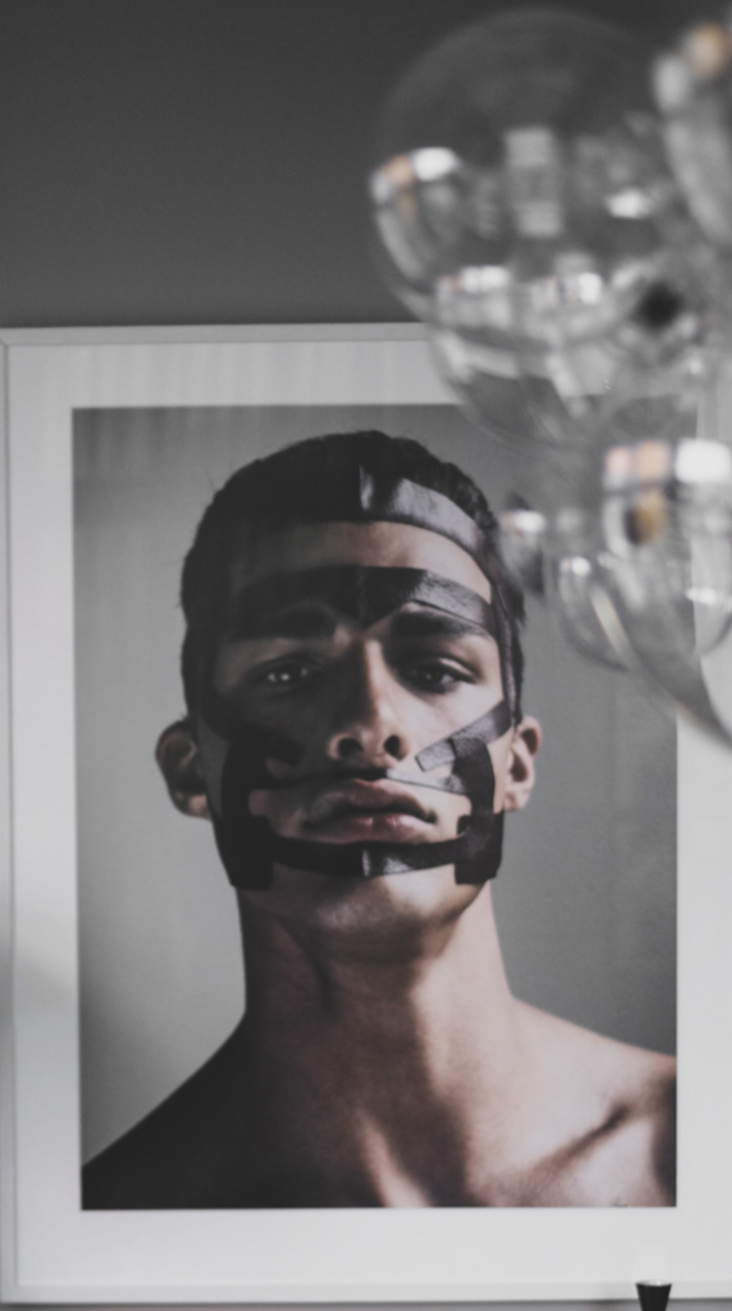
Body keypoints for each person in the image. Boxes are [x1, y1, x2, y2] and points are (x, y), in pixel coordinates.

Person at [81, 430, 675, 1210]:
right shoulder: (127, 1215)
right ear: (194, 770)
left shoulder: (693, 1155)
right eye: (288, 671)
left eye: (434, 668)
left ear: (517, 764)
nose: (370, 724)